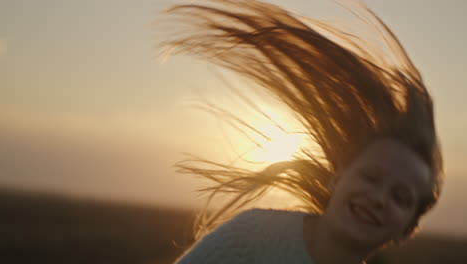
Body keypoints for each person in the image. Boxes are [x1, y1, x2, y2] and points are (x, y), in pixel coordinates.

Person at [161, 0, 444, 263]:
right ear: (337, 178)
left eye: (401, 197)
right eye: (370, 177)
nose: (378, 198)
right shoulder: (254, 234)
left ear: (406, 231)